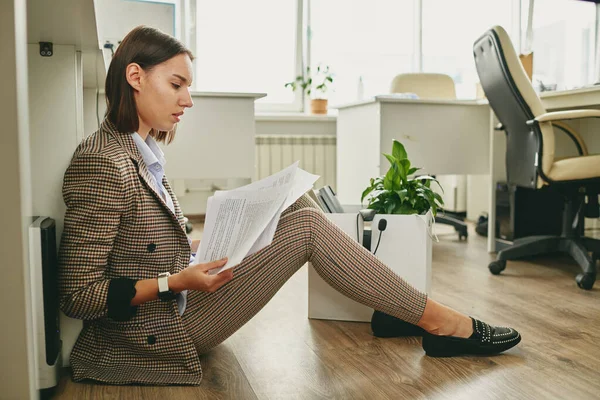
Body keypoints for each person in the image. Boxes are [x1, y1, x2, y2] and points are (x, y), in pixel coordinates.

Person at [58, 25, 521, 386]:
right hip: (159, 333)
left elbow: (138, 244)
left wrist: (202, 243)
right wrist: (175, 279)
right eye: (177, 84)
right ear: (134, 76)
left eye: (188, 86)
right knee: (308, 229)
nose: (188, 99)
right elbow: (78, 295)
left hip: (177, 302)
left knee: (295, 205)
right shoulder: (102, 161)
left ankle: (397, 306)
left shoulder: (137, 151)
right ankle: (442, 323)